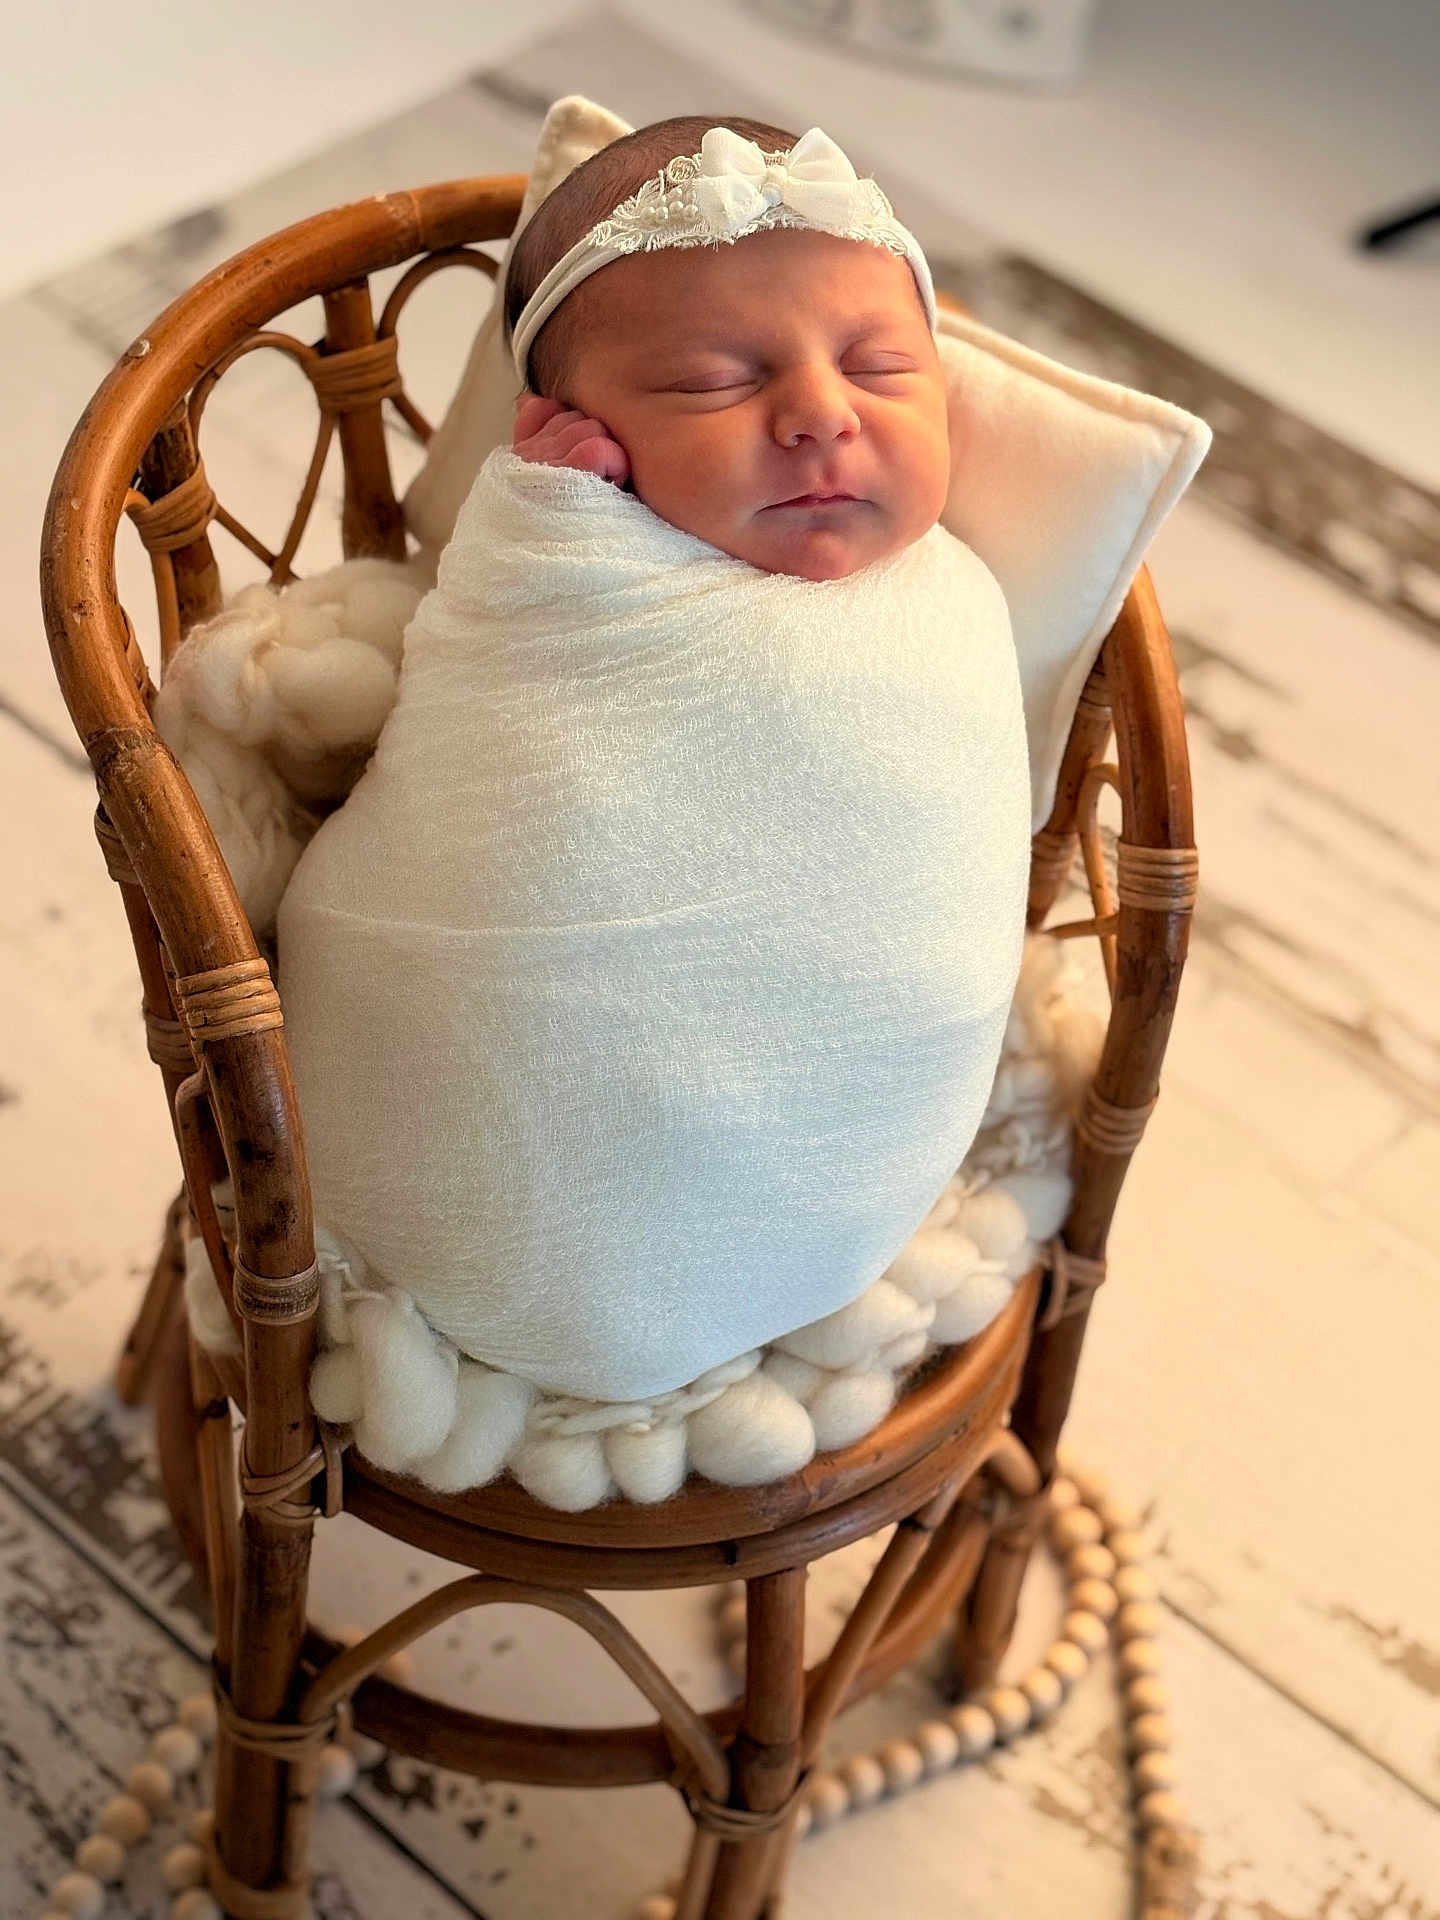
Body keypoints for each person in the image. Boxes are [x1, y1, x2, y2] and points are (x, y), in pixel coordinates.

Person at [503, 116, 953, 583]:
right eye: (714, 382)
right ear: (556, 422)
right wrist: (541, 513)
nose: (824, 416)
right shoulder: (574, 553)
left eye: (877, 368)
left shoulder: (965, 574)